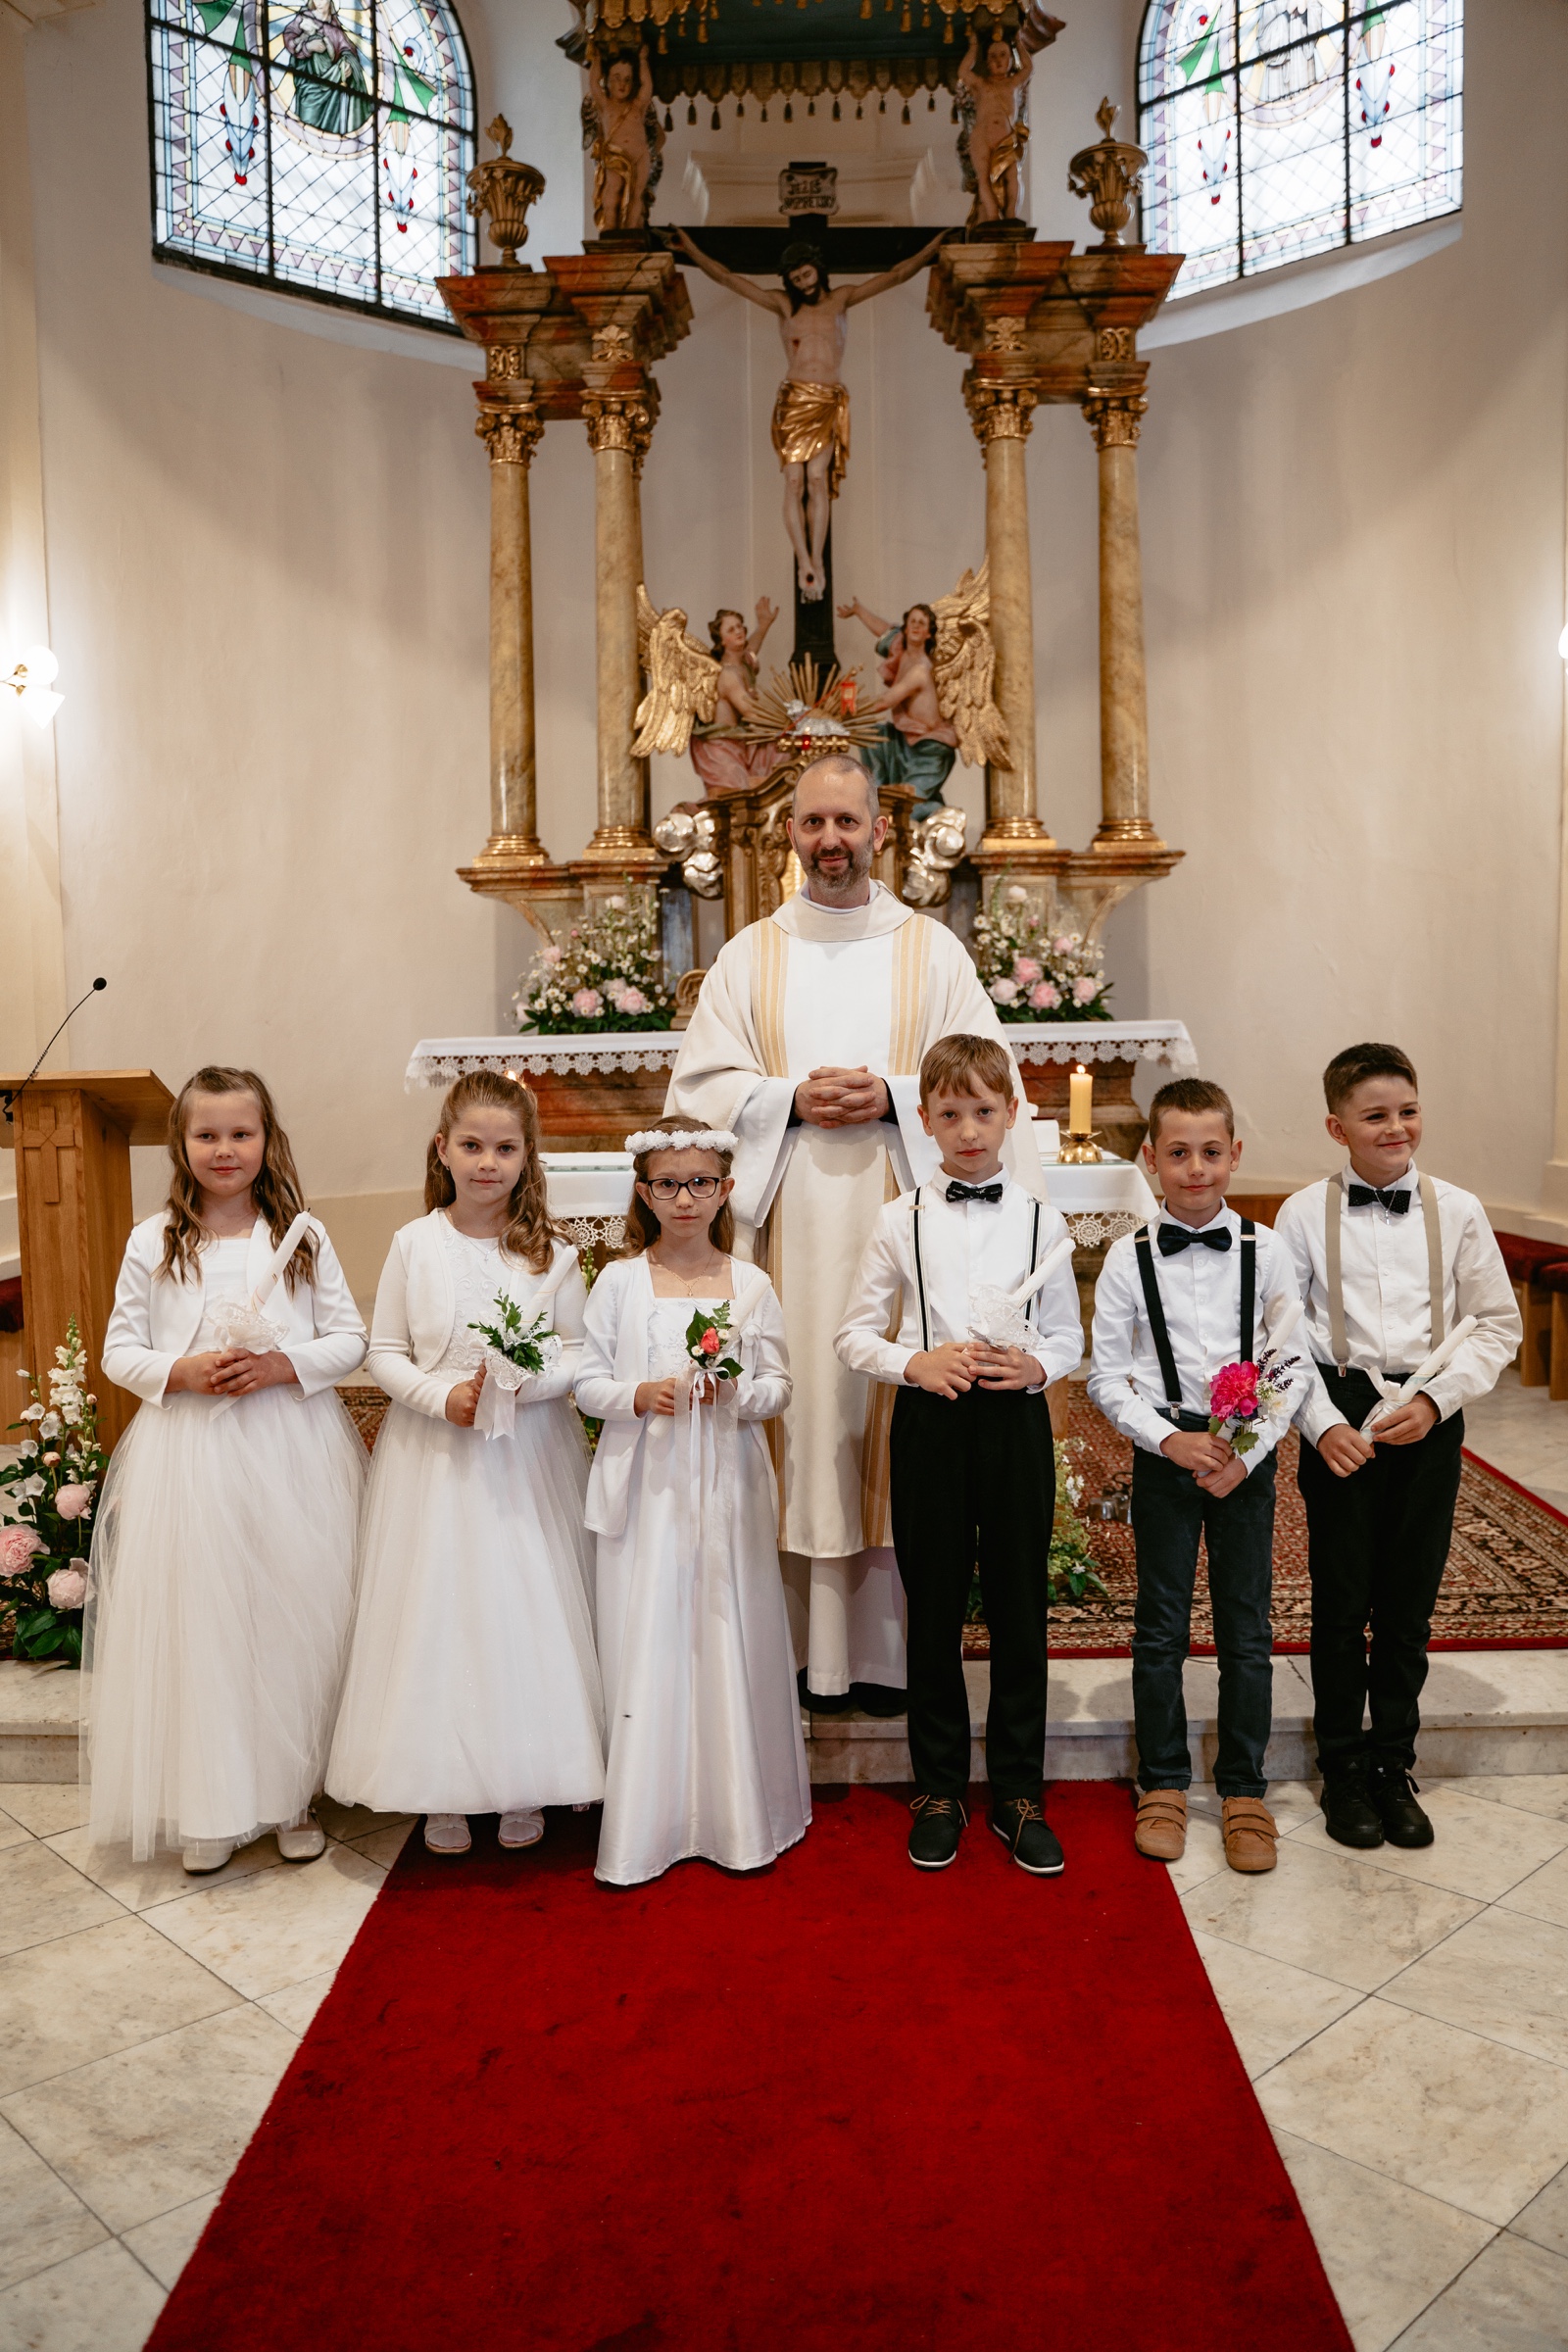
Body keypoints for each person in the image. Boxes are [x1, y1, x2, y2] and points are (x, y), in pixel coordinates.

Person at [667, 752, 1044, 1713]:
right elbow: (697, 1091)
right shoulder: (749, 955)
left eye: (846, 822)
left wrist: (897, 1096)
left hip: (909, 1234)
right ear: (788, 833)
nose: (830, 840)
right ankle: (798, 1651)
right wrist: (785, 1100)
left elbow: (995, 1082)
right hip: (784, 1230)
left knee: (888, 1426)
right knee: (802, 1414)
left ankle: (885, 1658)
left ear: (881, 830)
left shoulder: (933, 952)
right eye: (812, 823)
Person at [86, 1066, 367, 1871]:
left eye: (241, 1133)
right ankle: (212, 1805)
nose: (224, 1149)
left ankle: (291, 1796)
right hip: (192, 1456)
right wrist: (181, 1371)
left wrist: (281, 1365)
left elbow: (349, 1338)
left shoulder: (302, 1237)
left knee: (289, 1614)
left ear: (267, 1140)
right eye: (206, 1134)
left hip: (288, 1447)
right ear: (181, 1144)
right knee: (204, 1624)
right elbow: (119, 1352)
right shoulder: (152, 1240)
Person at [326, 1071, 604, 1856]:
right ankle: (440, 1785)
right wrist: (441, 1397)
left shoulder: (553, 1254)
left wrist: (520, 1386)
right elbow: (384, 1351)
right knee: (438, 1610)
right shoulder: (414, 1244)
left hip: (525, 1455)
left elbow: (577, 1352)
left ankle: (525, 1778)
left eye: (506, 1149)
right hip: (434, 1456)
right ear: (442, 1148)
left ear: (527, 1157)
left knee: (522, 1606)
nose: (488, 1162)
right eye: (473, 1145)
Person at [836, 1034, 1082, 1873]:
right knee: (933, 1606)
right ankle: (938, 1789)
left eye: (984, 1111)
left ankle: (1017, 1792)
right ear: (925, 1121)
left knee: (1019, 1607)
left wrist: (1037, 1367)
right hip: (931, 1423)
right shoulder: (897, 1219)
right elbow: (853, 1334)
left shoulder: (1044, 1220)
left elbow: (1068, 1336)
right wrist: (915, 1362)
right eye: (951, 1114)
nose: (969, 1130)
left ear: (1011, 1114)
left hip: (1014, 1425)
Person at [1273, 1044, 1520, 1851]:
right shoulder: (1301, 1214)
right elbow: (1282, 1338)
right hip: (1340, 1409)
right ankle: (1343, 1766)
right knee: (1342, 1600)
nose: (1396, 1127)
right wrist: (1321, 1424)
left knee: (1409, 1602)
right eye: (1375, 1115)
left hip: (1428, 1407)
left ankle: (1392, 1762)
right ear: (1336, 1127)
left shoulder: (1461, 1210)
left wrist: (1437, 1399)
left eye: (1407, 1111)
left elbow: (1496, 1324)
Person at [575, 1117, 807, 1886]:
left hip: (725, 1481)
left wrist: (737, 1394)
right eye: (668, 1184)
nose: (684, 1198)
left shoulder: (752, 1285)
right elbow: (587, 1381)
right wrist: (638, 1394)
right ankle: (648, 1818)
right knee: (652, 1625)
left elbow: (779, 1385)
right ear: (645, 1193)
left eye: (700, 1183)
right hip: (647, 1481)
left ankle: (737, 1807)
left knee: (722, 1621)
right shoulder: (618, 1282)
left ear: (725, 1189)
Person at [1088, 1078, 1307, 1875]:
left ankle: (1245, 1787)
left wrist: (1245, 1451)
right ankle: (1163, 1780)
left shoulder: (1267, 1250)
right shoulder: (1127, 1257)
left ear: (1234, 1154)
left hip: (1245, 1458)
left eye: (1211, 1152)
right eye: (1178, 1153)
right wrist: (1169, 1441)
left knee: (1246, 1628)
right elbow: (1107, 1376)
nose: (1195, 1169)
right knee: (1161, 1625)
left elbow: (1290, 1364)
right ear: (1150, 1159)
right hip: (1167, 1456)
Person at [673, 228, 946, 601]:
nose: (803, 282)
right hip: (794, 399)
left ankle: (817, 559)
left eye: (806, 273)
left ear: (818, 268)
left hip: (827, 400)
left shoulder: (841, 299)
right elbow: (727, 278)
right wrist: (691, 250)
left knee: (817, 479)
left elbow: (895, 275)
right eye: (796, 279)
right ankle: (802, 559)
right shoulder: (784, 306)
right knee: (793, 481)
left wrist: (932, 249)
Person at [837, 598, 958, 818]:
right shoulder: (901, 648)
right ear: (906, 627)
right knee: (871, 735)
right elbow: (883, 631)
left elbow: (886, 701)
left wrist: (848, 708)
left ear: (929, 633)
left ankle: (944, 815)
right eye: (912, 621)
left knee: (908, 810)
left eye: (922, 623)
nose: (916, 626)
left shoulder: (921, 669)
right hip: (905, 742)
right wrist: (858, 610)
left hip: (930, 749)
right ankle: (876, 794)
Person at [689, 600, 783, 797]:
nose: (739, 631)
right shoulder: (726, 674)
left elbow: (751, 650)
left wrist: (763, 625)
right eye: (731, 630)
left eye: (740, 626)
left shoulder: (743, 665)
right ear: (721, 640)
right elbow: (751, 712)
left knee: (781, 753)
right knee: (733, 797)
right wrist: (787, 721)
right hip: (720, 747)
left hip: (740, 741)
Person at [958, 29, 1033, 222]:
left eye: (1003, 55)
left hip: (1006, 137)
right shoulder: (981, 85)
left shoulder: (1013, 83)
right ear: (986, 62)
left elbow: (1028, 68)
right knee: (983, 177)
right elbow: (963, 72)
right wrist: (974, 47)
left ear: (1010, 59)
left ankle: (1010, 215)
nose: (998, 60)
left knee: (1012, 174)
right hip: (981, 136)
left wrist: (1019, 43)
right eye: (993, 56)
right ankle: (992, 215)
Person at [587, 45, 659, 232]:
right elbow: (593, 84)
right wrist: (597, 60)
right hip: (615, 155)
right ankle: (610, 227)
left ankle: (632, 229)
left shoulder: (637, 106)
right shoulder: (605, 105)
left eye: (627, 80)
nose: (622, 84)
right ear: (607, 81)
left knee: (637, 193)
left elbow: (647, 87)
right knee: (614, 188)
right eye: (617, 78)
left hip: (639, 156)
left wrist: (642, 61)